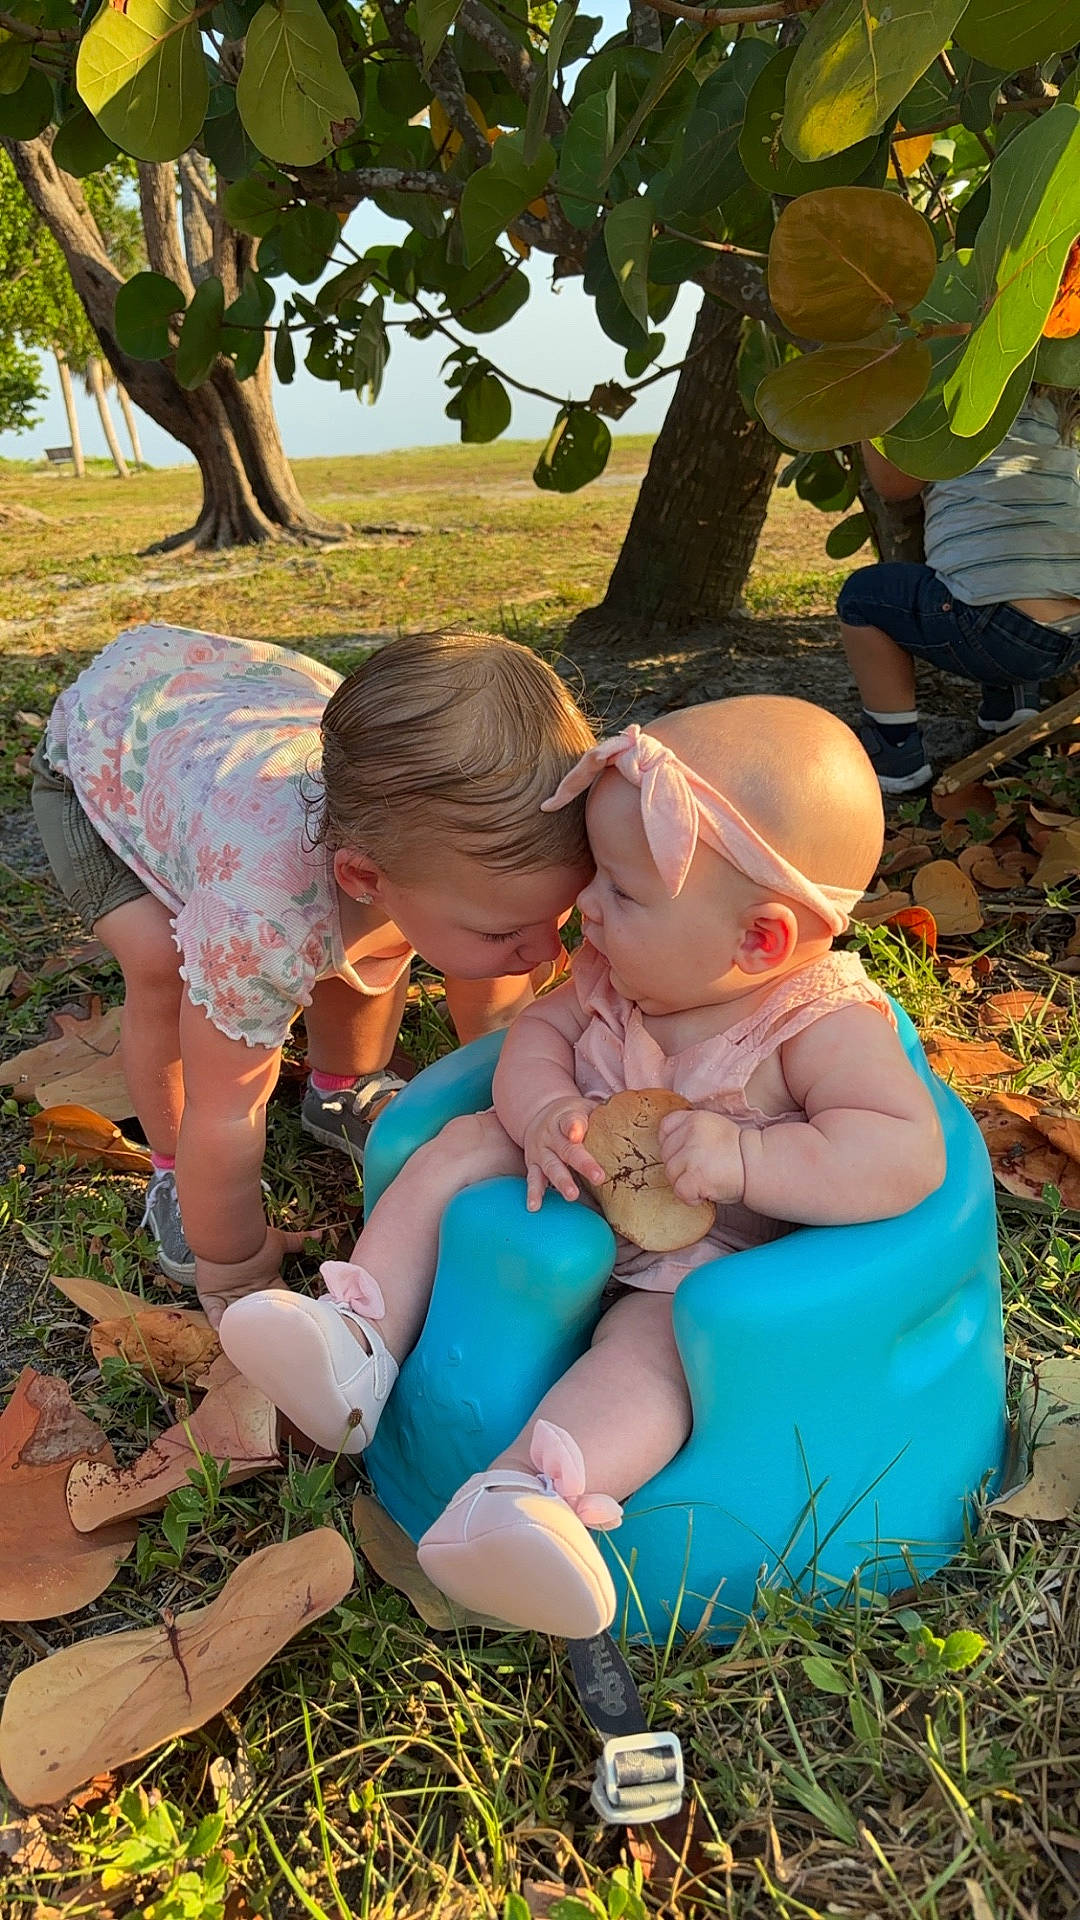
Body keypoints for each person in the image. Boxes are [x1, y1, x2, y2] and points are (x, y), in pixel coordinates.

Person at [219, 695, 946, 1638]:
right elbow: (537, 1038)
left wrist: (749, 1156)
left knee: (654, 1361)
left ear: (758, 939)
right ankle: (355, 1337)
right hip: (560, 1179)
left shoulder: (817, 1026)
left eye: (622, 891)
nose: (584, 908)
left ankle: (526, 1499)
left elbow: (903, 1156)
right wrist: (544, 1108)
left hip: (700, 1261)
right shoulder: (621, 968)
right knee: (450, 1145)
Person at [31, 624, 595, 1320]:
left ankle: (341, 1087)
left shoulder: (453, 870)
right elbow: (228, 1105)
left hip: (242, 708)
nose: (545, 952)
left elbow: (499, 1013)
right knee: (164, 968)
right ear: (365, 875)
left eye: (560, 915)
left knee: (387, 939)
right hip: (108, 752)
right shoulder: (259, 914)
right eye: (506, 929)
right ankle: (176, 1177)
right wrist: (233, 1264)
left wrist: (524, 1101)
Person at [838, 386, 1080, 793]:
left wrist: (874, 403)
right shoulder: (1051, 396)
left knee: (864, 597)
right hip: (1072, 635)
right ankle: (1012, 709)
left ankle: (896, 758)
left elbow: (893, 484)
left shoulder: (942, 393)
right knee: (1003, 573)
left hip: (993, 628)